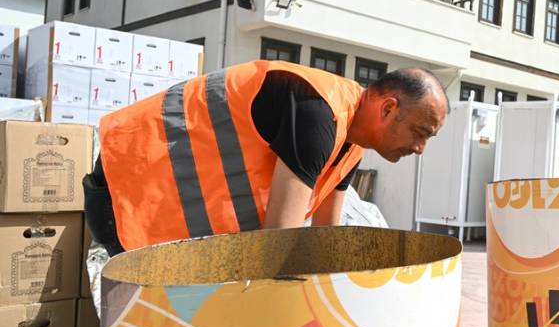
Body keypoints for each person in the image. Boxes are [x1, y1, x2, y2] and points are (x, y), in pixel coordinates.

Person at [83, 60, 448, 255]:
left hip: (157, 213)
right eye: (421, 133)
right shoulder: (318, 112)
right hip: (126, 190)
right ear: (388, 108)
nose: (420, 149)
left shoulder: (349, 145)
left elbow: (323, 242)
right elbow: (280, 243)